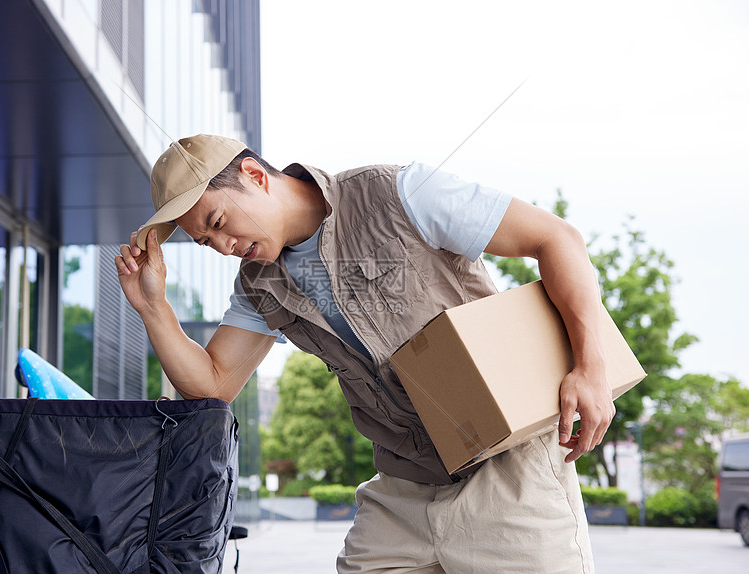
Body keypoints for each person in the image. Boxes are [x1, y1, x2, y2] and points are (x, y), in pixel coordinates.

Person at [115, 134, 614, 573]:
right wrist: (154, 307)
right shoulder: (257, 284)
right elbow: (214, 384)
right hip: (403, 490)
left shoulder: (397, 194)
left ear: (253, 174)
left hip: (508, 473)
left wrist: (591, 368)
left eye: (219, 221)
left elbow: (555, 238)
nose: (223, 245)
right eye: (206, 242)